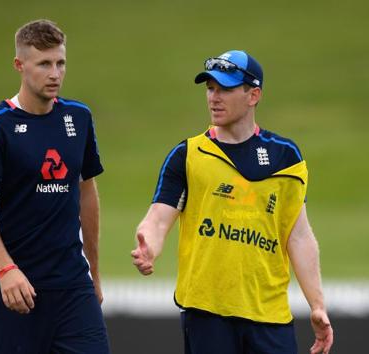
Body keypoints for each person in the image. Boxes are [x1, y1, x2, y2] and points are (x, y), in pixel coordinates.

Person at [131, 50, 334, 354]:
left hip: (269, 316)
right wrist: (150, 243)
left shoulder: (286, 158)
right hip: (207, 314)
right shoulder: (188, 155)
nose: (214, 97)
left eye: (225, 88)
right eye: (210, 88)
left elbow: (298, 233)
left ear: (253, 95)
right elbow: (159, 216)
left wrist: (317, 305)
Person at [0, 19, 110, 354]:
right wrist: (6, 270)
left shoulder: (79, 118)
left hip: (72, 287)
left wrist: (95, 276)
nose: (55, 73)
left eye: (60, 63)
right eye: (44, 64)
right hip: (12, 288)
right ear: (20, 65)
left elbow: (87, 194)